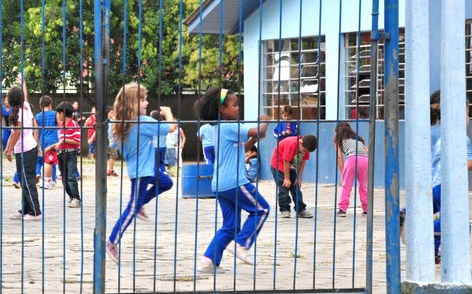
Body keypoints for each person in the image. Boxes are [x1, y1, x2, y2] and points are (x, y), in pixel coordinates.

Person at [194, 87, 271, 273]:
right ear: (222, 109)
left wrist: (256, 136)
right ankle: (242, 244)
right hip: (235, 182)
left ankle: (208, 260)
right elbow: (258, 131)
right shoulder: (231, 126)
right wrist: (265, 121)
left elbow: (241, 147)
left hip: (220, 185)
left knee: (231, 226)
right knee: (262, 209)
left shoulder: (218, 128)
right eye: (234, 105)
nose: (238, 108)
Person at [105, 83, 176, 264]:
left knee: (167, 183)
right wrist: (168, 113)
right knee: (132, 207)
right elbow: (171, 128)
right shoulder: (142, 122)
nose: (147, 103)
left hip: (146, 168)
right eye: (142, 100)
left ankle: (140, 204)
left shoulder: (118, 124)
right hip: (142, 171)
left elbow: (113, 144)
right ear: (131, 103)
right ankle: (112, 241)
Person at [430, 90, 472, 263]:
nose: (469, 118)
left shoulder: (440, 136)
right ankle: (458, 254)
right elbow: (470, 163)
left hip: (436, 184)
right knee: (460, 221)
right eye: (467, 113)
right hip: (449, 186)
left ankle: (436, 251)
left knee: (443, 216)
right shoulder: (460, 137)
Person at [4, 80, 41, 221]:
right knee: (24, 180)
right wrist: (8, 148)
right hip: (24, 149)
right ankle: (26, 209)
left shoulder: (21, 110)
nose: (6, 99)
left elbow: (17, 131)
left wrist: (10, 149)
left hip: (26, 150)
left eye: (7, 97)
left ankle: (35, 211)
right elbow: (13, 133)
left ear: (12, 99)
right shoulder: (23, 107)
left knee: (27, 180)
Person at [270, 133, 318, 219]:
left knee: (296, 188)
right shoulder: (291, 144)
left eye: (306, 152)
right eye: (304, 150)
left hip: (290, 167)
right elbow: (286, 161)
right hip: (279, 165)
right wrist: (286, 178)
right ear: (300, 142)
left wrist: (298, 177)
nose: (304, 153)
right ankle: (285, 210)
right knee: (283, 188)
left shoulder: (306, 146)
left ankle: (301, 210)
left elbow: (303, 161)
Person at [44, 102, 82, 208]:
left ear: (61, 113)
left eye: (58, 113)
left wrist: (63, 140)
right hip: (61, 154)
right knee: (64, 178)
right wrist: (50, 147)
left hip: (70, 153)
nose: (57, 116)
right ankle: (71, 196)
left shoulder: (73, 124)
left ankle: (76, 198)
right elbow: (61, 142)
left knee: (70, 176)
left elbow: (77, 141)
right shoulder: (63, 126)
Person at [334, 122, 369, 217]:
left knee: (346, 185)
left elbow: (339, 157)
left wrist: (343, 172)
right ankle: (366, 210)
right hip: (365, 159)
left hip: (352, 159)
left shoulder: (339, 140)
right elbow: (368, 151)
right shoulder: (358, 139)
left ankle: (342, 210)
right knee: (363, 186)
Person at [35, 95, 59, 190]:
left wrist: (36, 144)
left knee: (46, 160)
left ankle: (45, 177)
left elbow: (36, 132)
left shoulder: (37, 116)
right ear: (50, 105)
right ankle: (50, 180)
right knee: (51, 161)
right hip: (53, 140)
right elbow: (60, 125)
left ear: (40, 106)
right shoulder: (55, 114)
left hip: (43, 141)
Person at [0, 96, 20, 189]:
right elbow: (0, 119)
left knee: (13, 138)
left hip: (13, 126)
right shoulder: (3, 109)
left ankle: (12, 150)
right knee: (4, 139)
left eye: (7, 100)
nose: (5, 101)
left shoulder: (14, 109)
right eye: (5, 100)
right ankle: (7, 150)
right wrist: (0, 124)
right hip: (7, 127)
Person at [106, 106, 119, 177]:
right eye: (111, 113)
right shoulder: (109, 121)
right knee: (113, 155)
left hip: (112, 140)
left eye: (114, 113)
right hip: (110, 140)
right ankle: (110, 170)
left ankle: (110, 169)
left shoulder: (112, 120)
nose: (113, 114)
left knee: (113, 155)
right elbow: (111, 132)